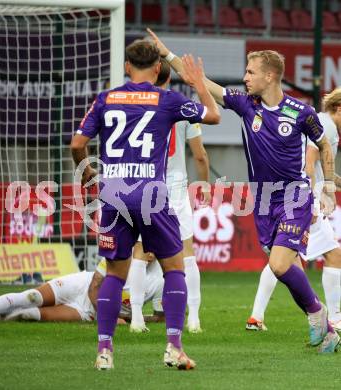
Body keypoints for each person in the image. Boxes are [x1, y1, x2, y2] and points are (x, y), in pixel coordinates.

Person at [147, 28, 339, 353]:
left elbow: (323, 143)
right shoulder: (245, 104)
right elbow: (203, 83)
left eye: (251, 72)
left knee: (279, 265)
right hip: (263, 202)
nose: (245, 77)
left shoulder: (301, 112)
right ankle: (321, 319)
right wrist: (168, 56)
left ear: (270, 75)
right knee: (285, 267)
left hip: (294, 197)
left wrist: (328, 187)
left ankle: (320, 318)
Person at [70, 39, 220, 370]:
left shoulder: (106, 99)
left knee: (115, 274)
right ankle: (173, 347)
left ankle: (104, 352)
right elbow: (214, 116)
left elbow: (78, 143)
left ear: (127, 67)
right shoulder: (167, 100)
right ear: (157, 68)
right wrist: (197, 84)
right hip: (152, 193)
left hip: (113, 193)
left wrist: (89, 177)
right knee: (175, 267)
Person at [246, 87, 341, 332]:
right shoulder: (327, 127)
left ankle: (256, 316)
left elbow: (317, 168)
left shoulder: (322, 122)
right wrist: (312, 199)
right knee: (332, 255)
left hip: (294, 195)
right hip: (302, 198)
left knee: (283, 258)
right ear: (339, 108)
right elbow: (309, 164)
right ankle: (332, 318)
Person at [128, 59, 210, 334]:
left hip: (145, 185)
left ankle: (137, 318)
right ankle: (194, 318)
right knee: (187, 253)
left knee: (140, 252)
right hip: (175, 187)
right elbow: (199, 154)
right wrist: (205, 183)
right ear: (169, 78)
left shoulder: (134, 105)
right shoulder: (181, 106)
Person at [0, 259, 164, 323]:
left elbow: (159, 318)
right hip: (81, 286)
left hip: (88, 312)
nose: (149, 253)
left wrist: (132, 319)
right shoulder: (121, 252)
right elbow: (94, 288)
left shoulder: (160, 280)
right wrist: (111, 318)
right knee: (31, 297)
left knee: (29, 315)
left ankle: (3, 318)